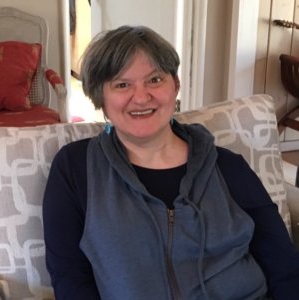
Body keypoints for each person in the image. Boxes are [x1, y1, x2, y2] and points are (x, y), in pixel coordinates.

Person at [43, 25, 299, 300]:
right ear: (100, 97)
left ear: (175, 86)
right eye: (122, 84)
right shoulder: (76, 168)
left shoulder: (228, 167)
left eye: (154, 80)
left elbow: (282, 265)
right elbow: (69, 277)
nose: (141, 97)